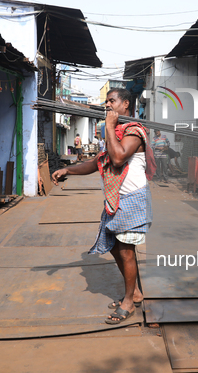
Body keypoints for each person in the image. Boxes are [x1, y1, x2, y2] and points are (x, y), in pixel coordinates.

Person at [51, 88, 155, 325]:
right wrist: (68, 169)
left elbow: (118, 158)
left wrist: (109, 126)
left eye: (112, 101)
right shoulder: (115, 132)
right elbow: (99, 161)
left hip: (133, 199)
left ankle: (129, 302)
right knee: (115, 247)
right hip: (115, 200)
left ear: (125, 104)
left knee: (127, 250)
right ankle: (135, 292)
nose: (107, 105)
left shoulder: (133, 131)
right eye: (106, 101)